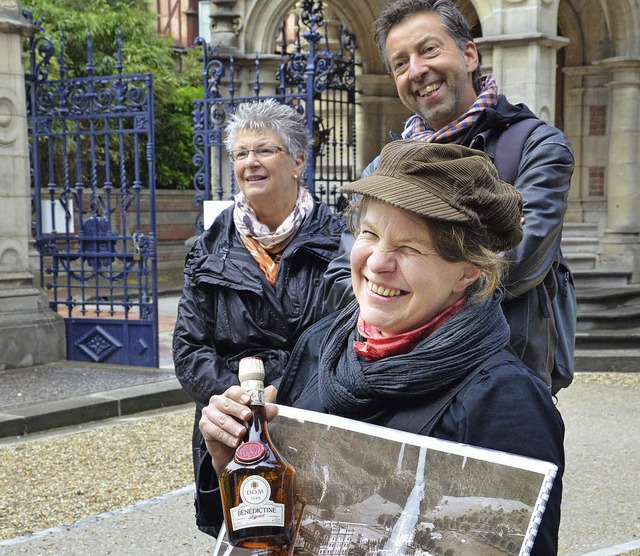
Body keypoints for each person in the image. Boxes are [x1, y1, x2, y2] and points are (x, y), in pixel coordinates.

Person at [199, 141, 565, 555]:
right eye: (370, 233)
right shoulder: (323, 346)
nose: (377, 263)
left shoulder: (505, 400)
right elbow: (263, 532)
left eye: (409, 248)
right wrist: (232, 462)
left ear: (467, 271)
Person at [323, 0, 576, 392]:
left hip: (500, 377)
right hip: (396, 378)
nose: (417, 70)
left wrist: (401, 293)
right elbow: (343, 276)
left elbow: (520, 264)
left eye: (428, 50)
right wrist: (469, 251)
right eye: (400, 63)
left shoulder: (537, 147)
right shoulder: (382, 167)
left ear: (469, 54)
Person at [172, 98, 345, 535]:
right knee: (249, 538)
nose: (251, 162)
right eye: (241, 154)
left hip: (316, 420)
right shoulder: (208, 248)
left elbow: (350, 339)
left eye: (264, 150)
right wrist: (245, 406)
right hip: (234, 429)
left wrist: (284, 398)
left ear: (298, 162)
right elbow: (190, 350)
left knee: (320, 532)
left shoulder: (342, 240)